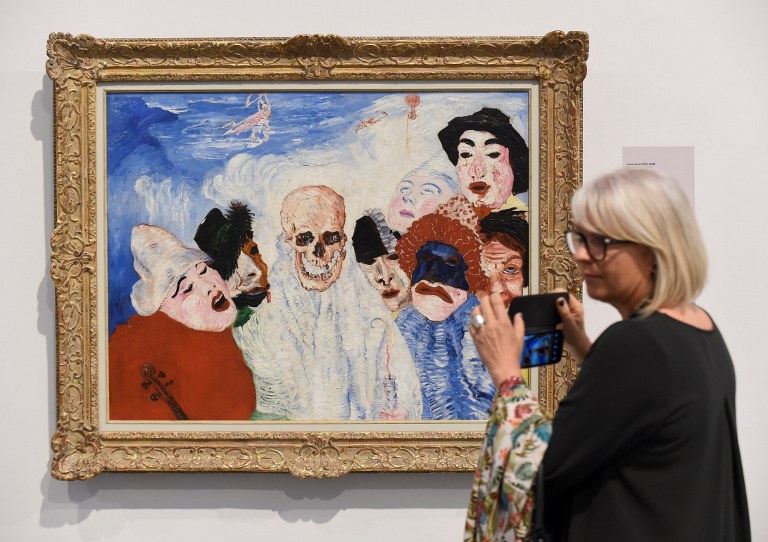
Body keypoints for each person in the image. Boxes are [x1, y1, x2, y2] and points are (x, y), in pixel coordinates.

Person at [465, 168, 751, 541]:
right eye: (580, 238)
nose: (582, 255)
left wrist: (506, 375)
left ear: (652, 250)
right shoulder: (698, 327)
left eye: (601, 241)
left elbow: (543, 468)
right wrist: (584, 348)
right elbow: (637, 413)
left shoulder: (636, 344)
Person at [109, 225, 256, 421]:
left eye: (203, 271)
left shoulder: (247, 326)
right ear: (164, 309)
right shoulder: (140, 357)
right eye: (187, 289)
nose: (208, 286)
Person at [438, 107, 528, 211]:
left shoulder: (528, 219)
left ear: (513, 166)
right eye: (465, 154)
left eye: (493, 154)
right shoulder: (449, 215)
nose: (477, 171)